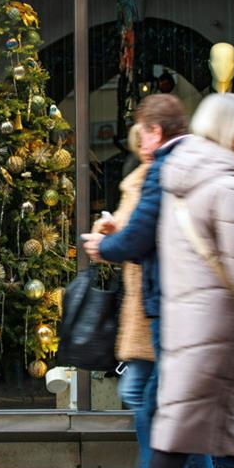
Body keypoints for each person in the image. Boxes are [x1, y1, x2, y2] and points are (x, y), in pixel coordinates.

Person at [83, 94, 217, 468]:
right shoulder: (170, 167)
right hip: (161, 304)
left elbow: (142, 234)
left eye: (143, 134)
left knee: (155, 399)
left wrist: (105, 246)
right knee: (160, 399)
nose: (140, 143)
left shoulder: (162, 170)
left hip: (162, 304)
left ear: (155, 132)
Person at [147, 93, 234, 468]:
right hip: (223, 332)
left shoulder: (179, 182)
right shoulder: (229, 186)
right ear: (231, 131)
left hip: (192, 328)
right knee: (190, 438)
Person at [104, 125, 155, 411]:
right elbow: (127, 227)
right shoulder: (136, 180)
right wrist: (108, 230)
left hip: (152, 298)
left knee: (136, 391)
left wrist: (107, 243)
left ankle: (158, 456)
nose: (144, 146)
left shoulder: (153, 180)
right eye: (140, 141)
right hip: (141, 298)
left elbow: (136, 235)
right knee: (142, 392)